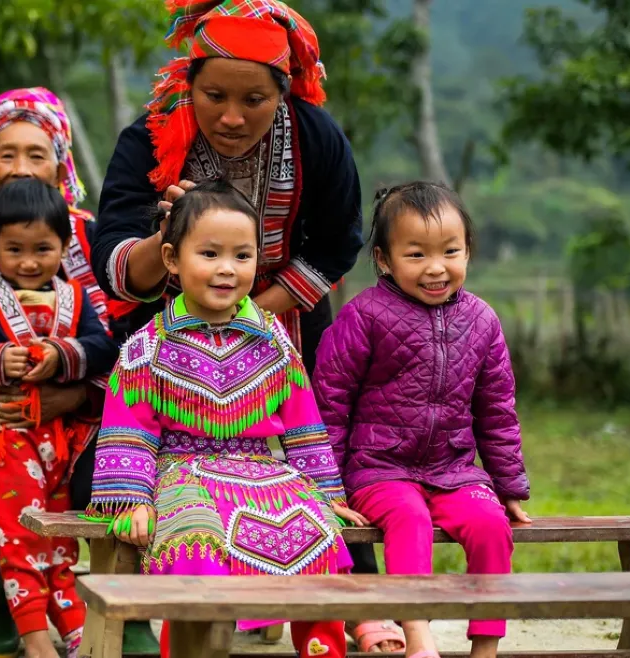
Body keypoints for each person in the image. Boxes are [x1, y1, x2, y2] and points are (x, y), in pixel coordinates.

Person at [89, 0, 400, 650]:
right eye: (215, 96)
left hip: (283, 313)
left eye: (254, 99)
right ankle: (152, 616)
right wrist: (164, 240)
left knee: (322, 457)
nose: (232, 116)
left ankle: (354, 605)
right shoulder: (147, 139)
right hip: (173, 328)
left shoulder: (316, 136)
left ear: (282, 95)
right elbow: (114, 262)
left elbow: (340, 240)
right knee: (138, 479)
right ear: (187, 83)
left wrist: (258, 314)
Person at [88, 180, 365, 658]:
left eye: (242, 256)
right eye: (210, 254)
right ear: (172, 260)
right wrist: (132, 500)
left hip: (269, 474)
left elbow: (304, 425)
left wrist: (327, 494)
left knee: (316, 533)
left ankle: (323, 650)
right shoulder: (147, 348)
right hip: (181, 475)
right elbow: (129, 431)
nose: (226, 270)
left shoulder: (274, 340)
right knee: (194, 545)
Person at [0, 87, 155, 657]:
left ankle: (124, 613)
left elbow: (122, 343)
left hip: (93, 416)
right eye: (5, 153)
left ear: (61, 161)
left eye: (36, 153)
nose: (20, 168)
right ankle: (5, 610)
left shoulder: (92, 240)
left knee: (116, 477)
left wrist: (74, 385)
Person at [313, 182, 532, 658]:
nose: (436, 267)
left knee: (492, 525)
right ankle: (418, 638)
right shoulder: (362, 317)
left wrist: (509, 485)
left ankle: (487, 646)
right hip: (378, 470)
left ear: (468, 252)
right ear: (384, 259)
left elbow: (496, 410)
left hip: (453, 470)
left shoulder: (482, 321)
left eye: (450, 251)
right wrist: (326, 486)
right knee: (408, 521)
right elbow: (329, 404)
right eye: (416, 254)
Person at [0, 178, 119, 658]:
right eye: (14, 249)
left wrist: (61, 356)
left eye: (44, 248)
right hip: (4, 435)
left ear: (65, 245)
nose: (30, 261)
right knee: (20, 529)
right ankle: (32, 628)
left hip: (61, 436)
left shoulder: (77, 299)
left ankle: (71, 617)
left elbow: (103, 349)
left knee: (57, 529)